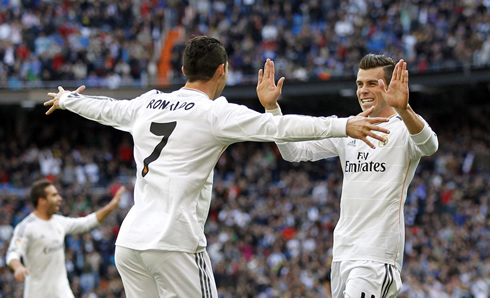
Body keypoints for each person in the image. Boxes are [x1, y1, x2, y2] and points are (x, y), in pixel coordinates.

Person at [43, 36, 390, 297]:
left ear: (183, 71)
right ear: (221, 71)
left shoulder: (147, 103)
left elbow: (105, 108)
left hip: (130, 244)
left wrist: (68, 99)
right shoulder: (214, 113)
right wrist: (342, 125)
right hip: (174, 242)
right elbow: (279, 128)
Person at [258, 54, 439, 297]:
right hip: (343, 254)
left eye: (372, 84)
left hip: (375, 256)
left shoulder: (402, 129)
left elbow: (430, 146)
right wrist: (272, 108)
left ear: (390, 86)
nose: (363, 90)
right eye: (359, 84)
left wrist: (404, 109)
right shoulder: (348, 128)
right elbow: (293, 152)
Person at [6, 179, 125, 298]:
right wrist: (18, 267)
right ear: (41, 201)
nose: (59, 198)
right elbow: (13, 252)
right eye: (54, 195)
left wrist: (110, 207)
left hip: (62, 292)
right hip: (38, 293)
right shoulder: (26, 227)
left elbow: (87, 223)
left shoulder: (58, 221)